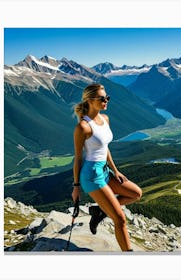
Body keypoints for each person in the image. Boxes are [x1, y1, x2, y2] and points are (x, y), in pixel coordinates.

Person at [71, 83, 142, 252]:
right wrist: (76, 187)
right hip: (91, 175)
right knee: (120, 219)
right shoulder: (83, 127)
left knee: (135, 194)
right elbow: (78, 158)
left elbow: (104, 148)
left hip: (105, 170)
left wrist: (115, 170)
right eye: (102, 98)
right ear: (89, 100)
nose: (106, 101)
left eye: (107, 97)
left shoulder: (105, 119)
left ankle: (99, 211)